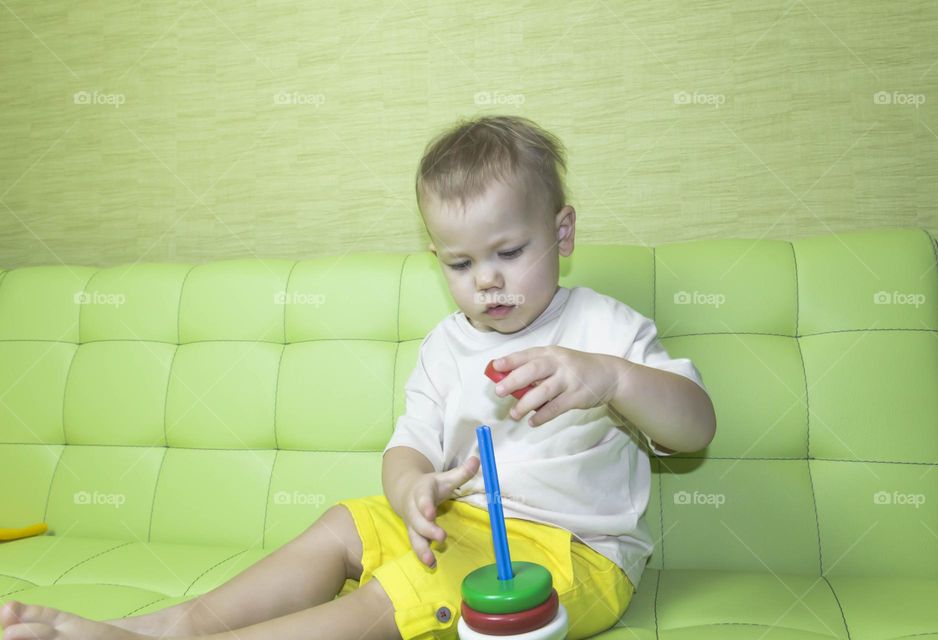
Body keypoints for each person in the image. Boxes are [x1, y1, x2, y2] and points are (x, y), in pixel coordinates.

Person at [0, 115, 716, 640]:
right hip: (462, 528)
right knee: (347, 522)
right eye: (460, 263)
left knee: (407, 588)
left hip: (573, 557)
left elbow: (695, 429)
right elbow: (408, 446)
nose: (486, 281)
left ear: (562, 234)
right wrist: (411, 491)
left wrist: (612, 380)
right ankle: (170, 625)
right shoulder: (446, 344)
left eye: (508, 252)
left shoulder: (603, 327)